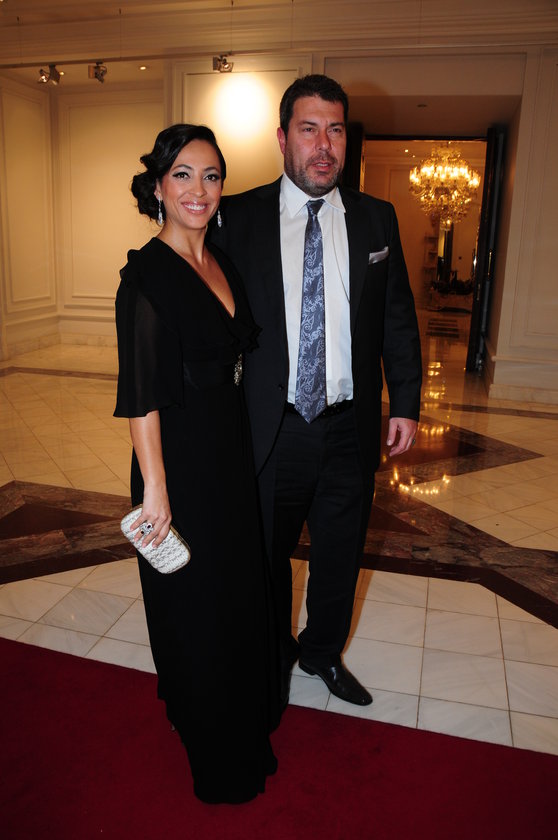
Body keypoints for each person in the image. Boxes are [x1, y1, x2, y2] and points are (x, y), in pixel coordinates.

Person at [212, 75, 422, 707]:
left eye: (335, 130)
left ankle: (323, 654)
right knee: (266, 554)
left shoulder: (376, 218)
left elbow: (397, 318)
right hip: (271, 426)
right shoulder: (236, 217)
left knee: (340, 553)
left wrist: (405, 402)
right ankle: (275, 655)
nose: (324, 146)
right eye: (309, 130)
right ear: (282, 139)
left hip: (348, 425)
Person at [114, 124, 279, 804]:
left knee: (234, 596)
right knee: (197, 609)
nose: (198, 189)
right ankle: (213, 747)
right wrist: (156, 492)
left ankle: (240, 716)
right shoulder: (145, 278)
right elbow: (140, 398)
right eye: (182, 174)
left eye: (211, 175)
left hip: (227, 455)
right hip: (177, 467)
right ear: (157, 186)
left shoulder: (220, 262)